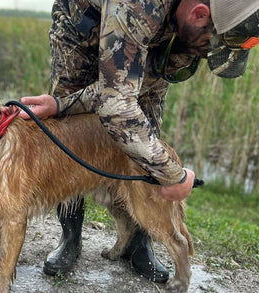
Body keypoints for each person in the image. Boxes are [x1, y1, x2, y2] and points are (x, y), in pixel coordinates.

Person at [19, 0, 259, 283]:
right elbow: (115, 104)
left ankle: (137, 243)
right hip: (83, 25)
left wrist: (62, 104)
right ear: (199, 13)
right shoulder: (138, 4)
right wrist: (174, 175)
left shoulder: (196, 25)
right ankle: (70, 237)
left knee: (144, 136)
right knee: (70, 139)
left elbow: (133, 88)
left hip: (155, 32)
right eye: (207, 47)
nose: (205, 54)